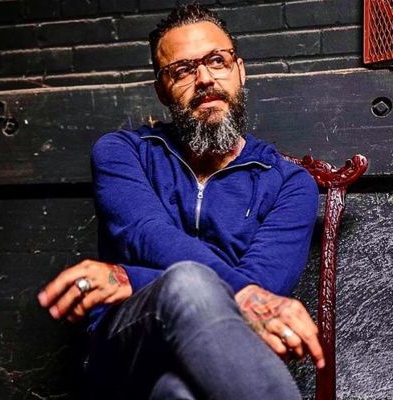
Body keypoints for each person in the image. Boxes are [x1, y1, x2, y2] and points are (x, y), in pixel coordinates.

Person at [38, 4, 324, 399]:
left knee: (175, 393)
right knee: (188, 285)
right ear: (161, 90)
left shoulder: (290, 183)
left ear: (240, 70)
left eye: (217, 61)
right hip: (127, 346)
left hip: (226, 348)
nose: (204, 79)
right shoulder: (123, 152)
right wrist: (218, 289)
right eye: (183, 70)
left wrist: (128, 277)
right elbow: (145, 233)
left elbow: (263, 288)